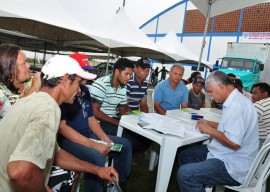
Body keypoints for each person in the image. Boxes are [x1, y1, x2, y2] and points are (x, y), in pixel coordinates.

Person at [0, 55, 118, 192]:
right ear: (65, 79)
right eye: (78, 83)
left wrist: (97, 170)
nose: (79, 90)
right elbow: (20, 172)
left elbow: (56, 154)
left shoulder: (32, 100)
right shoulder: (48, 108)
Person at [57, 54, 132, 192]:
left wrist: (103, 137)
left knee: (124, 146)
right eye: (84, 71)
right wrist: (94, 144)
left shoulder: (85, 90)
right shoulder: (65, 93)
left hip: (87, 135)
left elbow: (91, 118)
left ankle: (117, 185)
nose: (87, 74)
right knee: (97, 157)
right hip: (69, 140)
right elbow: (62, 128)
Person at [177, 71, 259, 192]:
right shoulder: (235, 100)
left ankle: (194, 182)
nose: (210, 95)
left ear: (221, 87)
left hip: (233, 165)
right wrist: (213, 124)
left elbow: (234, 142)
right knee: (185, 155)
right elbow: (233, 127)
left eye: (211, 91)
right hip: (227, 154)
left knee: (185, 175)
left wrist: (209, 130)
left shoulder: (236, 105)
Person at [0, 44, 41, 118]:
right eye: (24, 63)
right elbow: (14, 112)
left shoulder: (30, 81)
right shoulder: (1, 91)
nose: (28, 65)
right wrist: (34, 88)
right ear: (11, 68)